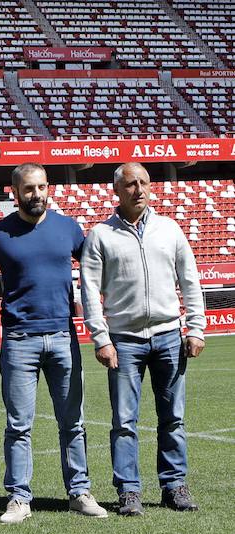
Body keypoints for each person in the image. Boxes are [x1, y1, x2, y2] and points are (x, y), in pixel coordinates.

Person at [0, 162, 107, 524]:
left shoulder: (68, 228)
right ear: (14, 192)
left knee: (73, 422)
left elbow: (96, 269)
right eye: (29, 189)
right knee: (18, 425)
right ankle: (19, 498)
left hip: (65, 337)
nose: (36, 194)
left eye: (42, 187)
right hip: (19, 340)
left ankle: (79, 492)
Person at [80, 162, 206, 516]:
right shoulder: (101, 235)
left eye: (144, 183)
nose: (139, 189)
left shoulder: (170, 229)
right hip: (123, 341)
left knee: (174, 418)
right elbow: (89, 291)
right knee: (124, 421)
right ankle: (129, 489)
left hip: (169, 335)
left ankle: (174, 485)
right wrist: (101, 337)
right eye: (131, 184)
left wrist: (195, 328)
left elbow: (190, 281)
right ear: (116, 191)